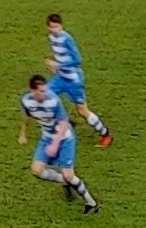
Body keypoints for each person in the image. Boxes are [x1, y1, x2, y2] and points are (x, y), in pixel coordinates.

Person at [19, 75, 99, 214]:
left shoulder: (53, 100)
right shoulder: (27, 101)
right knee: (37, 170)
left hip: (64, 139)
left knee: (69, 175)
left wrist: (55, 144)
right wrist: (23, 133)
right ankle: (66, 181)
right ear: (32, 90)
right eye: (41, 91)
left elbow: (64, 123)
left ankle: (90, 202)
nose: (45, 93)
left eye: (45, 90)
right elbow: (27, 115)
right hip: (46, 138)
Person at [44, 14, 111, 146]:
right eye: (52, 27)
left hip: (73, 80)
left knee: (82, 110)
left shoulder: (67, 39)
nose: (54, 29)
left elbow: (77, 60)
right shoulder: (51, 37)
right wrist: (55, 67)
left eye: (57, 27)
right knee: (44, 97)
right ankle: (66, 122)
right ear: (48, 27)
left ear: (61, 26)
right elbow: (61, 55)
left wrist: (58, 65)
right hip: (60, 77)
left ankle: (105, 134)